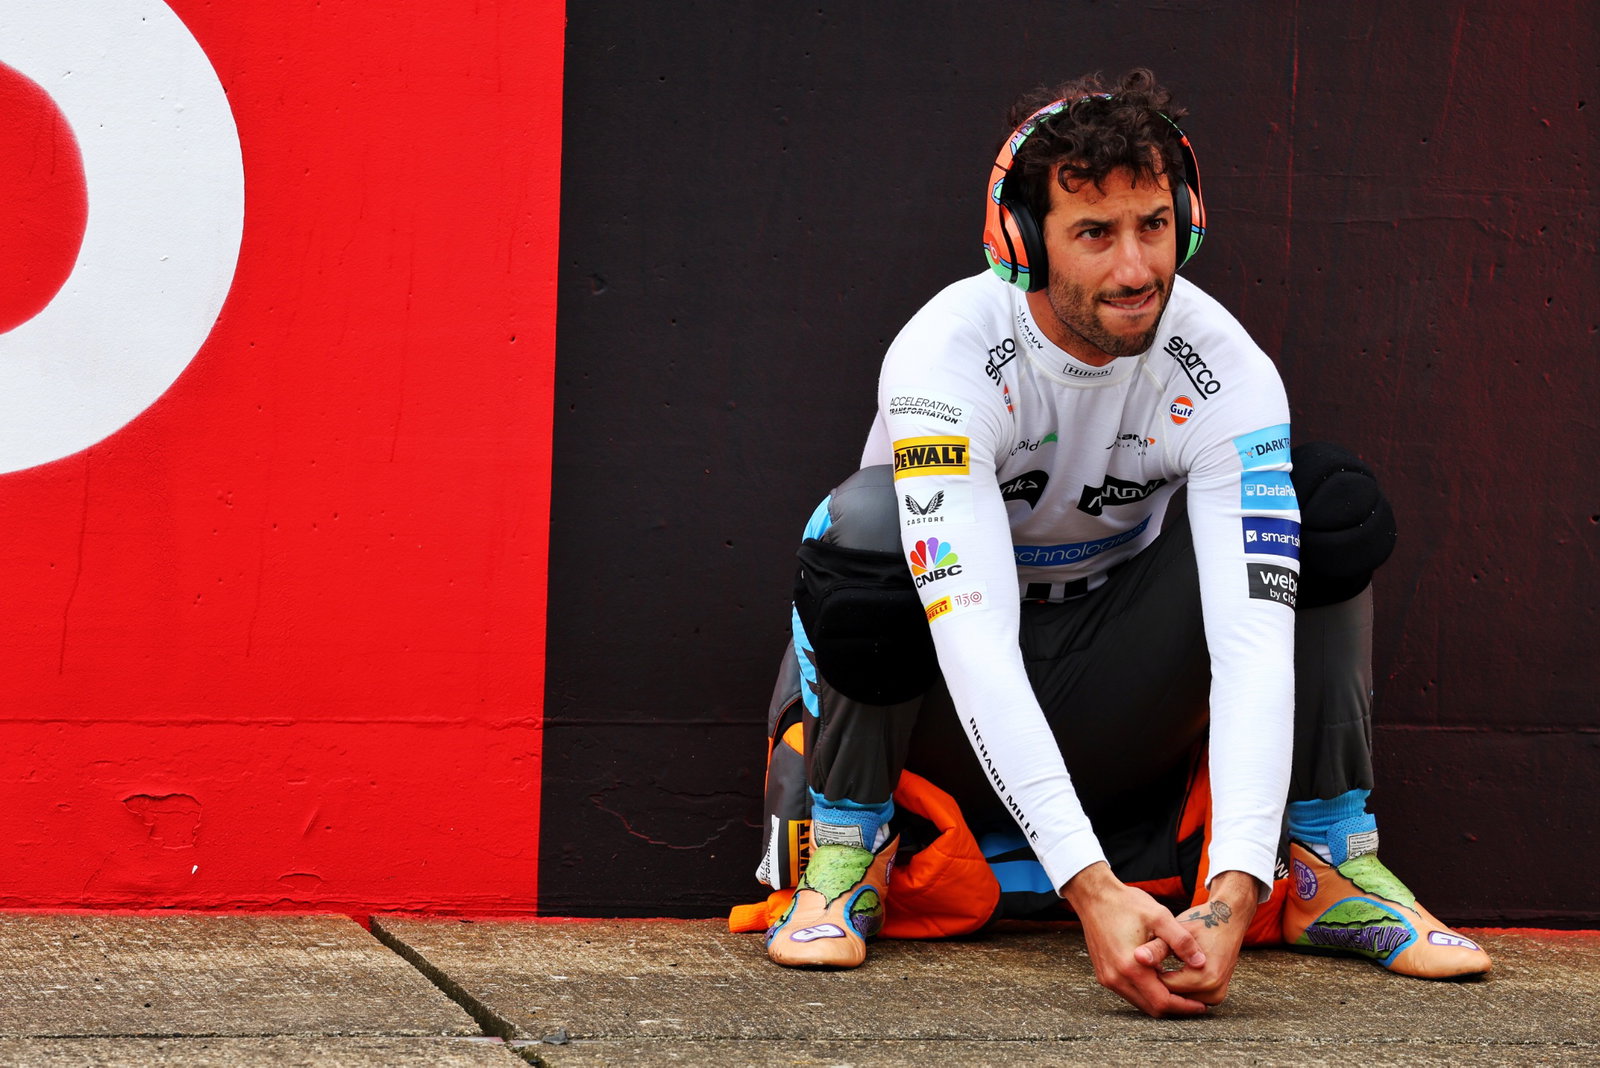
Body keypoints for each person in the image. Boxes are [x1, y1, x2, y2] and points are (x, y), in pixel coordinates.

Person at [747, 68, 1491, 1015]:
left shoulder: (1222, 363)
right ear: (1022, 242)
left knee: (1325, 505)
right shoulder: (945, 354)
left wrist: (1233, 897)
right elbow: (972, 642)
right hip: (939, 703)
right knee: (864, 524)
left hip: (1113, 684)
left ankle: (1326, 864)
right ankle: (849, 849)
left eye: (1153, 226)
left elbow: (1253, 643)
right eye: (1095, 234)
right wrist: (1090, 890)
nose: (1137, 269)